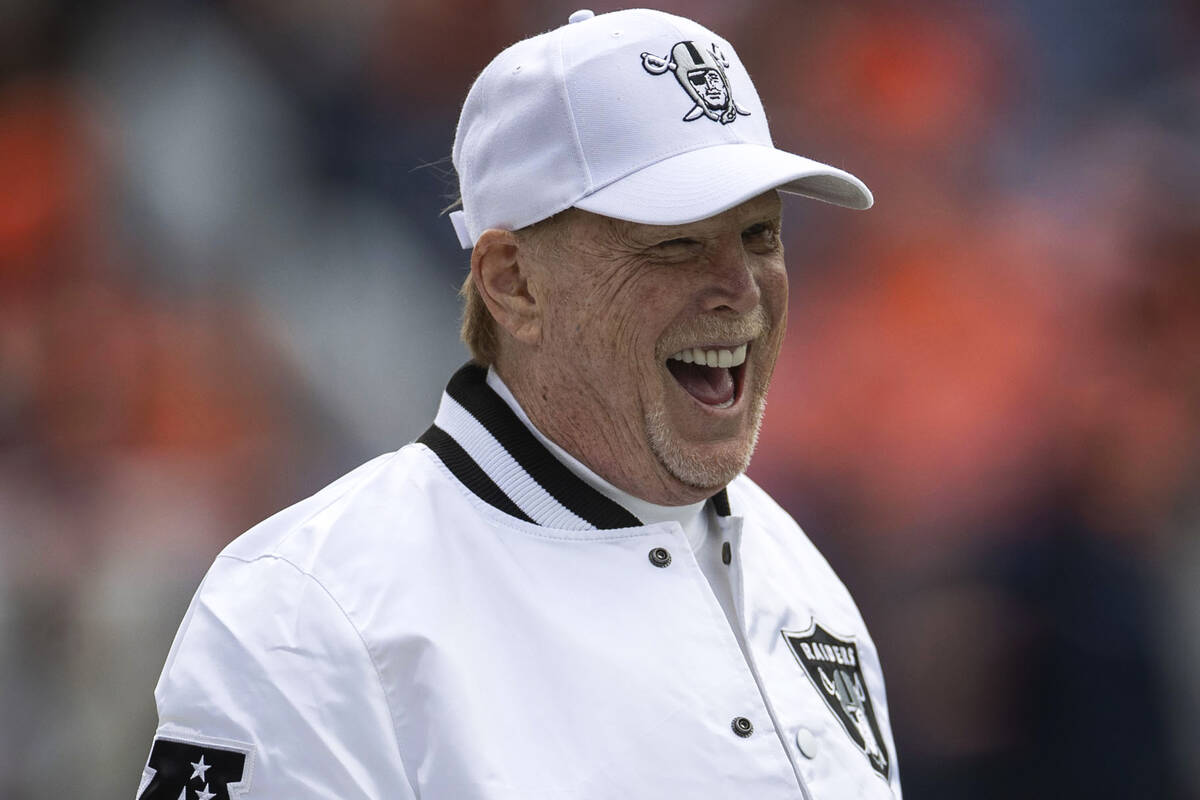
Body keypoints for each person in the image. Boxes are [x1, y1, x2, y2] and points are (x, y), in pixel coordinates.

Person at [134, 8, 901, 799]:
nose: (739, 290)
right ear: (512, 282)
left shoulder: (797, 573)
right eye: (675, 244)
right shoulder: (308, 618)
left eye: (761, 236)